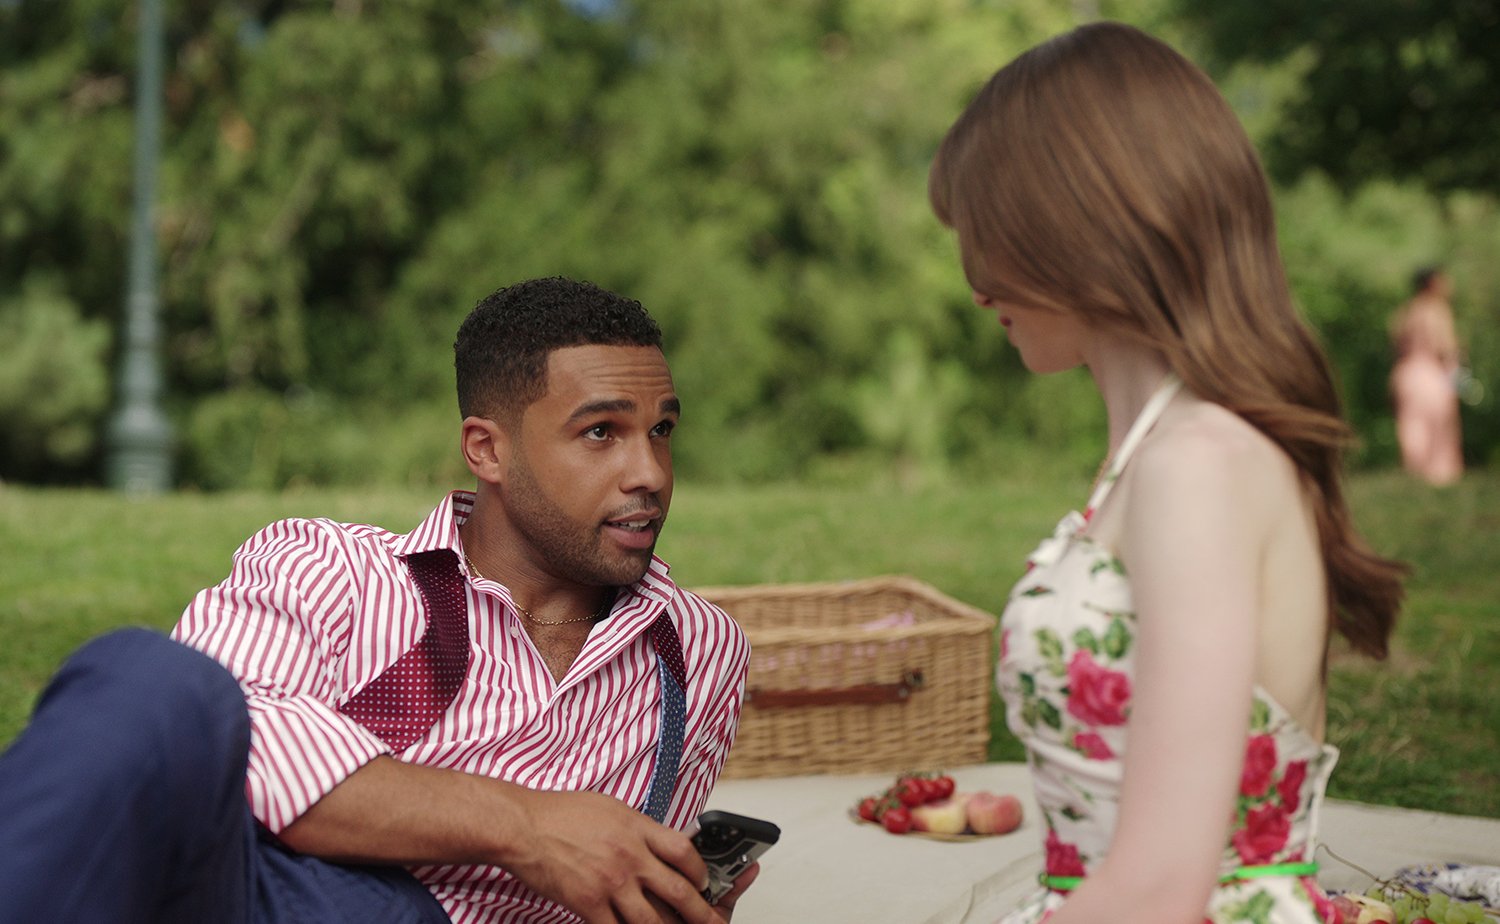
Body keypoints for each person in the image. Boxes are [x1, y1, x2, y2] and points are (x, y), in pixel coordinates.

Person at [0, 277, 755, 924]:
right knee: (149, 680)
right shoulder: (331, 568)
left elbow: (623, 879)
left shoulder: (701, 652)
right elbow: (238, 747)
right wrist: (525, 826)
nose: (650, 471)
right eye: (601, 432)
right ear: (487, 450)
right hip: (253, 891)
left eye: (662, 431)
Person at [927, 22, 1406, 924]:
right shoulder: (1163, 454)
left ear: (1070, 229)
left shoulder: (1197, 466)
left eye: (987, 236)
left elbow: (1161, 889)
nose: (975, 282)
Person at [1390, 266, 1464, 485]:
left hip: (1407, 374)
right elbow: (1445, 348)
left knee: (1412, 426)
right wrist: (1458, 378)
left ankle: (1414, 476)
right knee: (1438, 427)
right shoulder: (1437, 311)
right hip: (1432, 375)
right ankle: (1439, 479)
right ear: (1433, 283)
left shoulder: (1406, 312)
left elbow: (1395, 347)